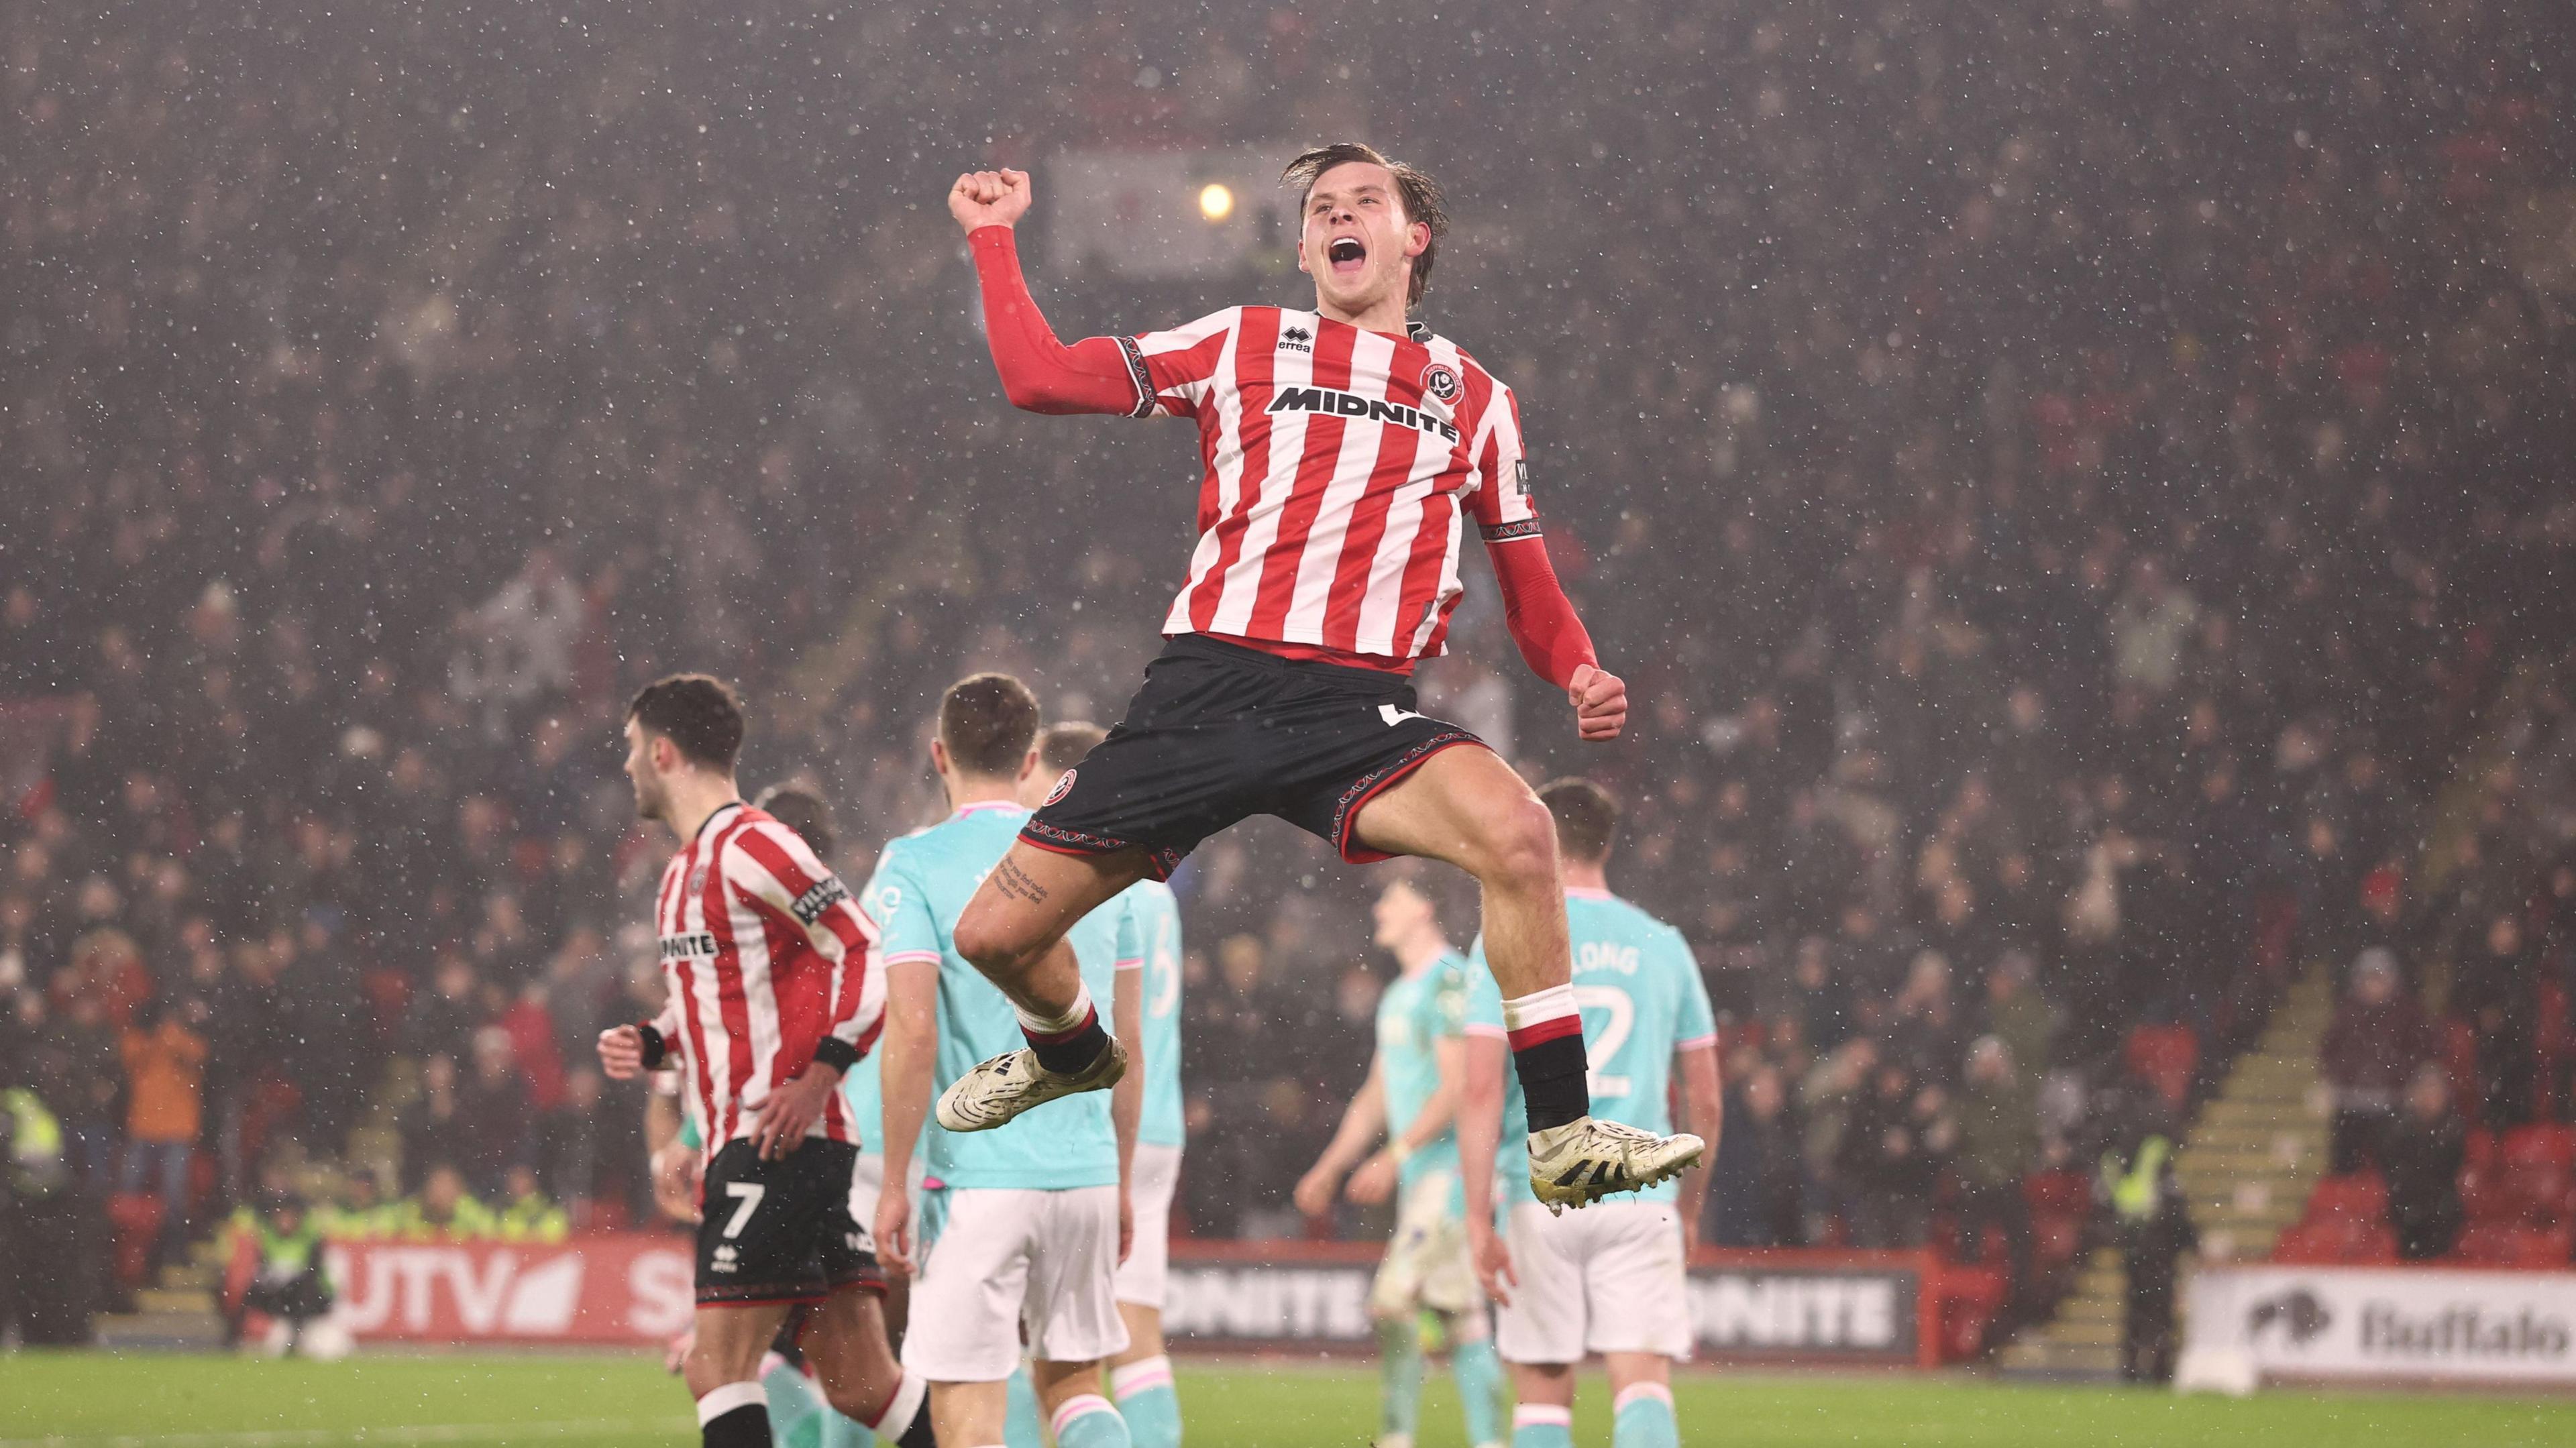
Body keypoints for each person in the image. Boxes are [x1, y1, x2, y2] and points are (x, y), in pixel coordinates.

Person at [928, 149, 1698, 1211]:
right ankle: (1068, 1050)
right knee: (991, 938)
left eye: (1363, 202)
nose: (1340, 216)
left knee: (1524, 836)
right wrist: (992, 234)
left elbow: (1527, 587)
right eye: (1320, 209)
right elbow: (1041, 377)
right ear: (1303, 247)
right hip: (1200, 696)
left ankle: (1562, 1132)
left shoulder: (1475, 399)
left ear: (1410, 238)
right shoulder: (1242, 339)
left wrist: (1580, 668)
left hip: (1357, 711)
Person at [594, 675, 932, 1448]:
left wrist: (819, 1075)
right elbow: (713, 1007)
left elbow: (860, 947)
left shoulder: (756, 843)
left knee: (717, 1367)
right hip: (750, 1144)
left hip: (775, 1143)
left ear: (664, 751)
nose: (626, 767)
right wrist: (652, 1041)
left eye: (631, 749)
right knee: (861, 1382)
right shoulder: (683, 874)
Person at [865, 674, 1146, 1448]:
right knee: (1077, 1387)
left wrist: (894, 1181)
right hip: (1086, 1171)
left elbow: (913, 1030)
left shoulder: (911, 864)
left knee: (966, 1412)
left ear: (938, 754)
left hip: (975, 1182)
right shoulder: (1090, 856)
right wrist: (1119, 1178)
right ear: (1030, 758)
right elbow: (1128, 1040)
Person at [1458, 779, 1722, 1448]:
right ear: (1607, 842)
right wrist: (1689, 1206)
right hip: (1640, 1189)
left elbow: (1482, 1088)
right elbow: (1707, 1097)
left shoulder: (1507, 934)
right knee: (1642, 1382)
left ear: (1541, 836)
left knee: (1543, 1396)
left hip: (1540, 1190)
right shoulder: (1663, 943)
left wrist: (1476, 1215)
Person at [1294, 878, 1506, 1448]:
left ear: (1426, 906)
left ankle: (1396, 1437)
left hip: (1455, 1180)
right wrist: (1330, 1168)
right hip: (1425, 1183)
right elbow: (1373, 1099)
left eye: (1393, 898)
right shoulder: (1398, 995)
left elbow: (1460, 1087)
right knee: (1463, 1321)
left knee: (1392, 1301)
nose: (1379, 908)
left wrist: (1396, 1154)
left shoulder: (1448, 983)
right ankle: (1489, 1441)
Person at [1026, 724, 1189, 1448]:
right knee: (1137, 1324)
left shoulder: (1084, 872)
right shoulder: (1154, 878)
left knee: (1042, 1336)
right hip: (1157, 1119)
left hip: (1096, 1124)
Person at [2380, 1065, 2466, 1262]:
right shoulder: (2399, 1129)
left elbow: (2450, 1168)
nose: (2430, 1097)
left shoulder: (2453, 1129)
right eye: (2425, 1090)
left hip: (2442, 1212)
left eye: (2435, 1090)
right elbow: (2391, 1166)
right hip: (2405, 1211)